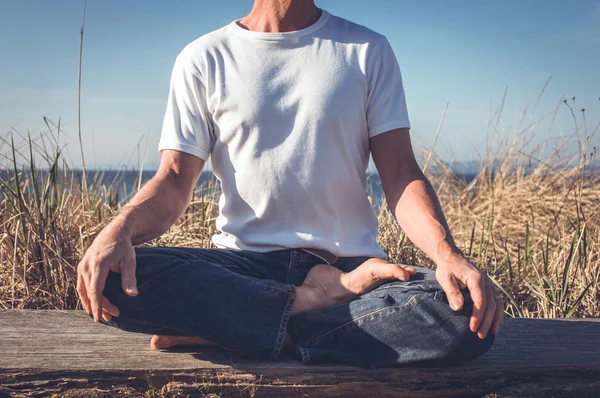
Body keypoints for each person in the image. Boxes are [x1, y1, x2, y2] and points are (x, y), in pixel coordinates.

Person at [77, 0, 505, 368]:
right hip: (244, 269)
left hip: (352, 271)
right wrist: (119, 230)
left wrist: (447, 254)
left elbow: (399, 173)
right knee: (115, 278)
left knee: (460, 309)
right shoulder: (204, 57)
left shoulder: (367, 50)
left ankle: (245, 327)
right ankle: (301, 307)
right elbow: (173, 180)